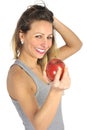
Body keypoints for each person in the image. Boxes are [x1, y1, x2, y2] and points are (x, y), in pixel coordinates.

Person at [7, 2, 82, 130]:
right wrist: (56, 90)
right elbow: (39, 125)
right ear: (22, 36)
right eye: (38, 36)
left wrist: (50, 19)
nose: (45, 44)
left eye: (49, 37)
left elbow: (75, 44)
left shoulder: (45, 63)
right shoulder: (18, 75)